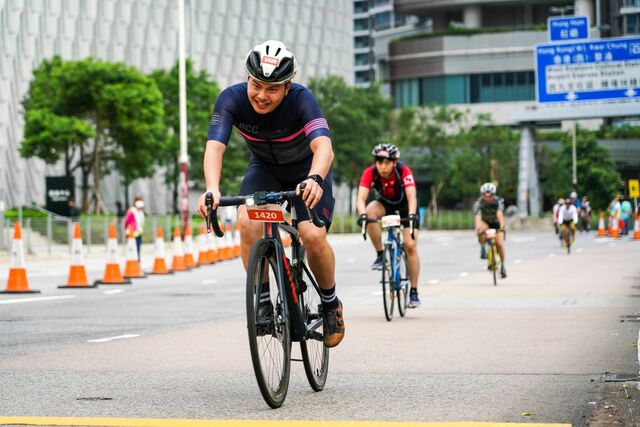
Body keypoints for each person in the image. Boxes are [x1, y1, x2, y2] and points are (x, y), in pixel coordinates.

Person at [196, 40, 344, 348]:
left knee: (312, 235)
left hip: (307, 172)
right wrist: (212, 188)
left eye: (272, 89)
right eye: (256, 85)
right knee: (247, 220)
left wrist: (315, 178)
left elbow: (323, 146)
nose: (262, 95)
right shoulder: (231, 99)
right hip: (264, 170)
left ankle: (331, 304)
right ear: (247, 79)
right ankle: (262, 301)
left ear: (287, 87)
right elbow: (215, 147)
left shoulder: (302, 99)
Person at [356, 143, 421, 308]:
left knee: (410, 245)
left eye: (387, 162)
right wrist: (363, 215)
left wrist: (411, 215)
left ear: (394, 162)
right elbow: (361, 198)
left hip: (406, 208)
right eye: (379, 162)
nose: (383, 166)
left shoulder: (403, 171)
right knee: (370, 212)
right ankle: (380, 254)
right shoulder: (370, 172)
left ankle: (413, 292)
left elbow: (412, 196)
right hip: (386, 205)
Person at [474, 183, 507, 279]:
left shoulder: (499, 200)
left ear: (494, 194)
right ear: (482, 195)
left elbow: (499, 213)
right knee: (480, 229)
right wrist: (478, 227)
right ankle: (482, 247)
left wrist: (502, 226)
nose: (488, 198)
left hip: (496, 222)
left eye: (490, 195)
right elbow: (478, 216)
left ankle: (503, 265)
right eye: (485, 195)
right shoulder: (479, 203)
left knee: (499, 244)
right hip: (485, 222)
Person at [124, 196, 145, 261]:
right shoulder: (132, 211)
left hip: (138, 233)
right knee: (133, 248)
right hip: (132, 233)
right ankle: (134, 260)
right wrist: (137, 228)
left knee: (138, 248)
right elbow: (128, 222)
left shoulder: (140, 212)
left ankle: (137, 260)